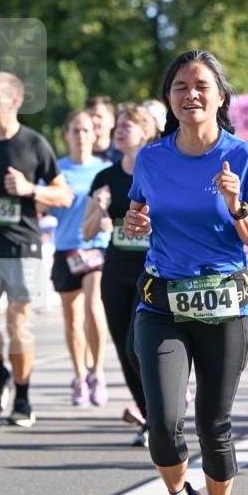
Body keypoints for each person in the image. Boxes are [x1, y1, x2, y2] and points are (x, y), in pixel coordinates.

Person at [124, 49, 248, 495]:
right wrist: (134, 224)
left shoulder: (244, 157)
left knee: (214, 423)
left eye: (201, 85)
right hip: (163, 301)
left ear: (220, 96)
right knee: (162, 422)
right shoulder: (152, 157)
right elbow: (137, 213)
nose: (191, 94)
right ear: (170, 98)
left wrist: (235, 205)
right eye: (180, 86)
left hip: (223, 304)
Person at [0, 72, 72, 427]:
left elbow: (64, 195)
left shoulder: (34, 144)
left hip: (23, 247)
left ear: (15, 101)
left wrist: (29, 189)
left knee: (17, 324)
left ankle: (22, 398)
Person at [84, 103, 159, 442]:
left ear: (146, 133)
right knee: (121, 347)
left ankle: (160, 412)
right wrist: (99, 208)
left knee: (136, 346)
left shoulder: (158, 172)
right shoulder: (105, 178)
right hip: (115, 270)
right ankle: (149, 417)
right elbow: (86, 232)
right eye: (119, 125)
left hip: (151, 269)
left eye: (129, 125)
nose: (120, 129)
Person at [51, 111, 109, 406]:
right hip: (65, 248)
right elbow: (44, 206)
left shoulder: (105, 169)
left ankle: (98, 373)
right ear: (67, 135)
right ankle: (79, 376)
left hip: (97, 247)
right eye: (76, 130)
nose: (82, 136)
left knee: (93, 305)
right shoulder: (56, 170)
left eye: (87, 130)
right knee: (72, 319)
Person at [85, 96, 119, 163]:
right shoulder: (76, 158)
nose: (93, 120)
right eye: (90, 116)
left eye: (99, 116)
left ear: (112, 121)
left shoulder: (123, 156)